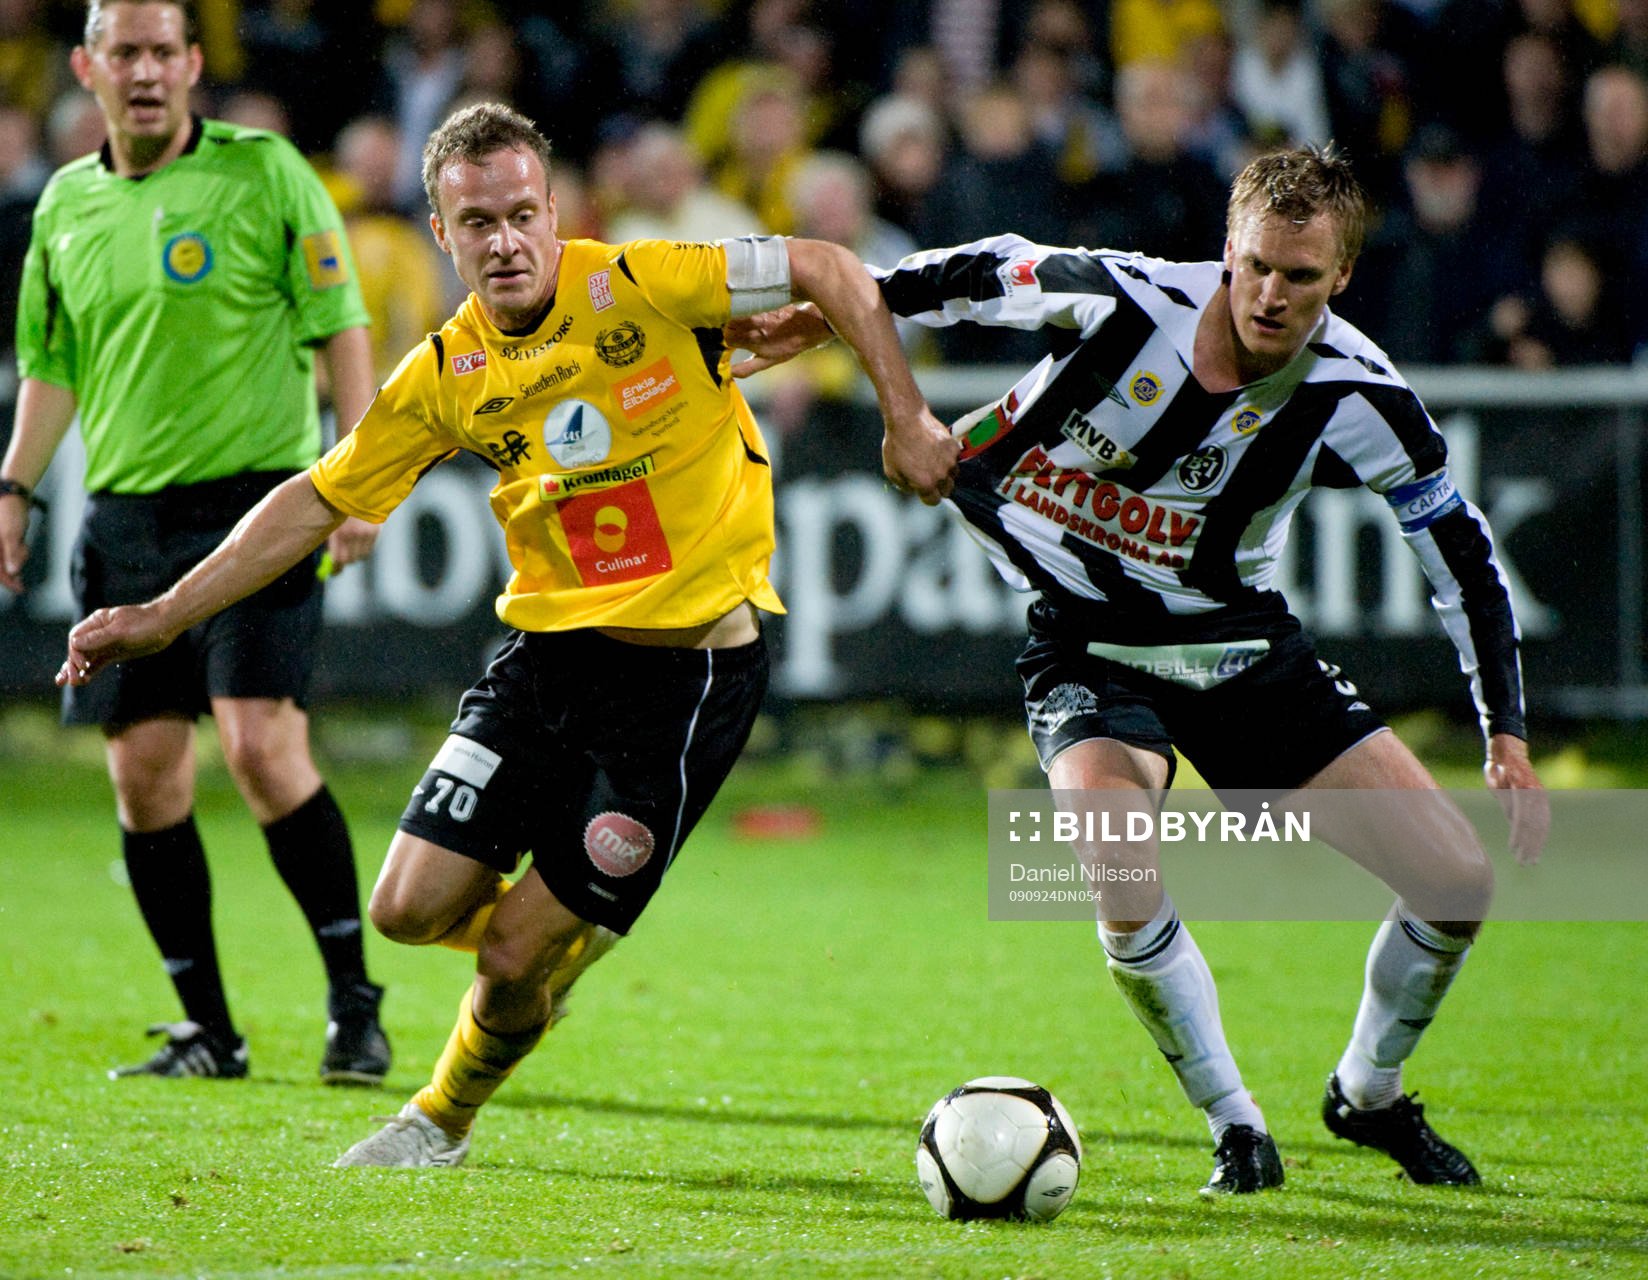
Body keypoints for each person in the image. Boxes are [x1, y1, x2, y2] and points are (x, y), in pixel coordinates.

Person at [59, 100, 957, 1167]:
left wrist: (905, 414)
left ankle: (439, 1117)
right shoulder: (447, 372)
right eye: (477, 223)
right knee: (406, 909)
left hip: (683, 684)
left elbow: (829, 266)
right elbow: (315, 497)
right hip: (547, 664)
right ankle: (547, 950)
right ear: (442, 233)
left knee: (513, 955)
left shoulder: (645, 282)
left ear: (556, 213)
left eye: (523, 215)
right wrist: (162, 615)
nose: (505, 242)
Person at [727, 144, 1549, 1193]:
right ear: (1227, 249)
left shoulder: (1361, 392)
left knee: (1456, 883)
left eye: (1300, 276)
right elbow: (970, 270)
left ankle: (1367, 1092)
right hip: (1088, 642)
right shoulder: (1124, 298)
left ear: (1342, 275)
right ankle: (1235, 1123)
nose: (1270, 294)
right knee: (1116, 863)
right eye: (1255, 265)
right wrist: (841, 326)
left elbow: (1461, 556)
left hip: (1241, 648)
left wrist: (1504, 730)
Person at [2, 0, 388, 1084]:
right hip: (126, 516)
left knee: (262, 746)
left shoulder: (265, 172)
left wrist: (361, 476)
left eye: (162, 51)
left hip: (260, 503)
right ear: (87, 68)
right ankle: (210, 1032)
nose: (144, 71)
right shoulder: (64, 205)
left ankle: (354, 1005)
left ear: (192, 64)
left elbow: (341, 325)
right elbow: (52, 366)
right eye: (123, 52)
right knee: (145, 779)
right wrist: (14, 485)